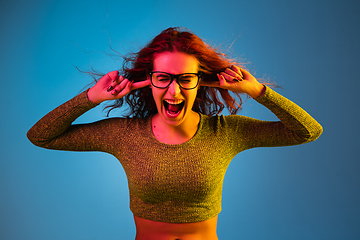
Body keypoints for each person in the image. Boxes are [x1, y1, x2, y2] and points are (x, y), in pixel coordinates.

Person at [27, 27, 323, 240]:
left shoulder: (226, 132)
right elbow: (41, 136)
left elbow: (307, 131)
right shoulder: (124, 135)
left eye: (185, 79)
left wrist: (258, 91)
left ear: (200, 82)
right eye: (163, 78)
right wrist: (90, 97)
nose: (174, 89)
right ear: (149, 81)